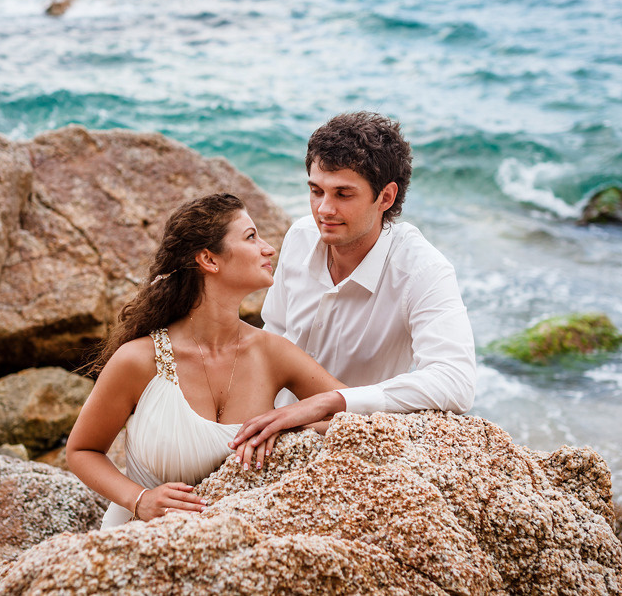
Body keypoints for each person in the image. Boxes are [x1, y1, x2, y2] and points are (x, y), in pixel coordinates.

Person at [66, 193, 344, 529]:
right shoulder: (140, 360)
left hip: (237, 544)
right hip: (138, 537)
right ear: (209, 260)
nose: (268, 249)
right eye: (251, 237)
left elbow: (358, 411)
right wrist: (139, 499)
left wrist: (292, 424)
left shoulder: (272, 352)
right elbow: (81, 450)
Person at [231, 111, 476, 451]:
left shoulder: (424, 270)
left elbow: (456, 381)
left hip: (357, 443)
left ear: (385, 198)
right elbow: (273, 334)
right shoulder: (301, 235)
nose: (324, 210)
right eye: (316, 191)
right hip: (276, 431)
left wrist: (334, 401)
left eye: (343, 194)